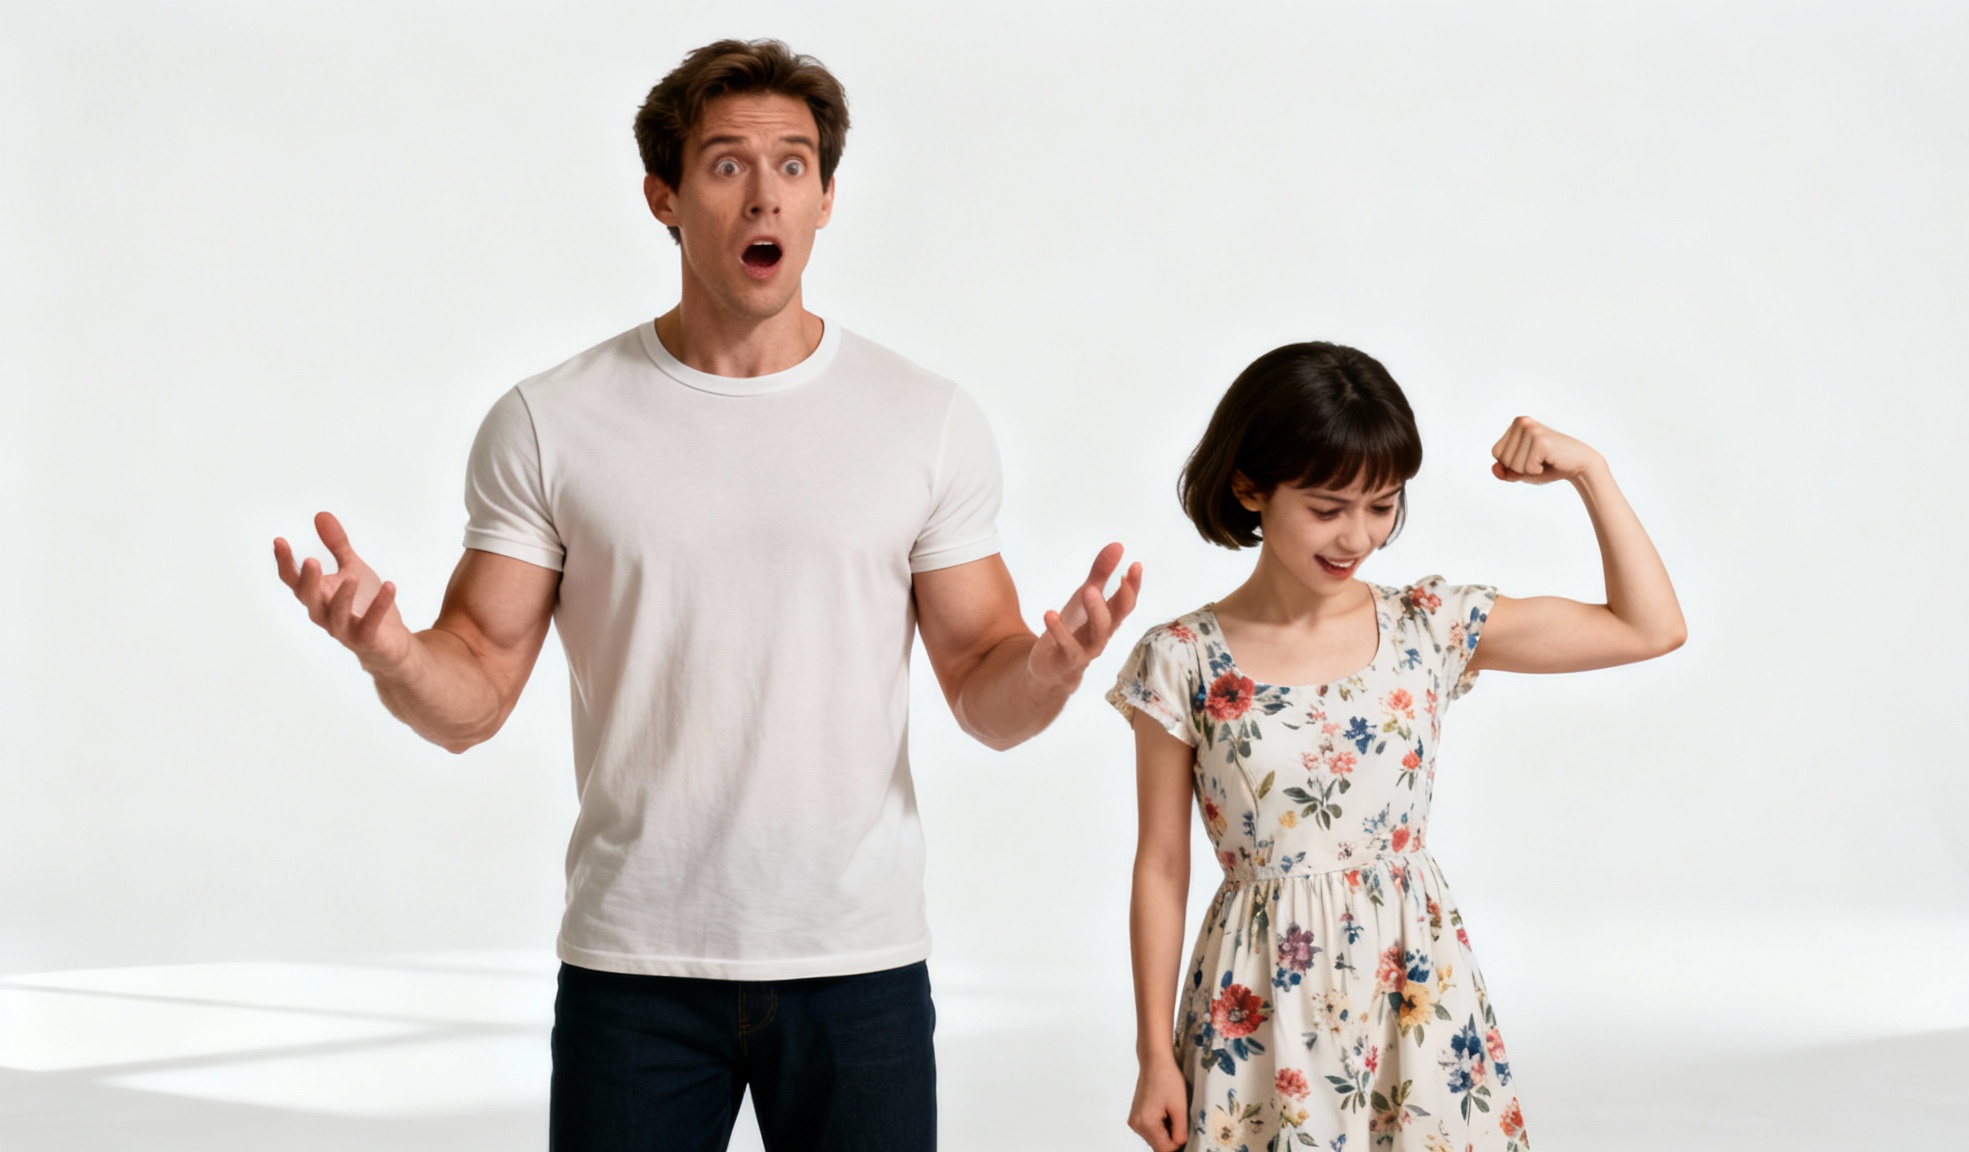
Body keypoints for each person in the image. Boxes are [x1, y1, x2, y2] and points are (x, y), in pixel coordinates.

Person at [272, 38, 1140, 1152]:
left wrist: (1050, 667)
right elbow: (476, 688)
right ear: (664, 198)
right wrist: (392, 654)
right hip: (634, 970)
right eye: (725, 164)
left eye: (792, 163)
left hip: (856, 965)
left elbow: (984, 688)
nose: (763, 190)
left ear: (826, 198)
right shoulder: (551, 420)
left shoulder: (921, 418)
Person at [1110, 343, 1684, 1152]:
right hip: (1257, 1001)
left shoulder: (1429, 623)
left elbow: (1649, 627)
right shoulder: (1181, 657)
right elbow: (1161, 866)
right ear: (1250, 488)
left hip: (1415, 994)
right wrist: (1151, 1056)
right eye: (1327, 507)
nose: (1359, 537)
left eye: (1382, 505)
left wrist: (1590, 470)